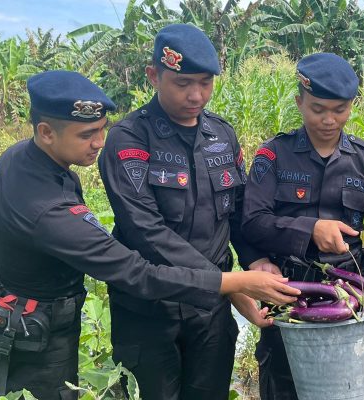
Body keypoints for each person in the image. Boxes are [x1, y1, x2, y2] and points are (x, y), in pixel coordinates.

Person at [0, 70, 299, 400]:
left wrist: (244, 269)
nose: (99, 142)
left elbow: (236, 209)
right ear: (46, 132)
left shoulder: (23, 158)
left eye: (101, 129)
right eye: (87, 134)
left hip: (42, 316)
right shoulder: (51, 211)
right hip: (35, 331)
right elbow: (137, 271)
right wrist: (233, 284)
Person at [97, 24, 282, 400]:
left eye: (205, 83)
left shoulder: (222, 135)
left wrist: (256, 261)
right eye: (183, 84)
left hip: (210, 314)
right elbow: (146, 231)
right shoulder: (129, 139)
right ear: (154, 76)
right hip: (150, 311)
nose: (196, 95)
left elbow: (237, 214)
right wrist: (232, 283)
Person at [241, 52, 364, 399]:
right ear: (299, 102)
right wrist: (309, 229)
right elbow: (251, 222)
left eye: (339, 109)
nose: (329, 120)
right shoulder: (273, 156)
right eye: (318, 109)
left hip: (346, 301)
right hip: (285, 296)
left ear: (351, 106)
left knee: (342, 388)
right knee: (282, 384)